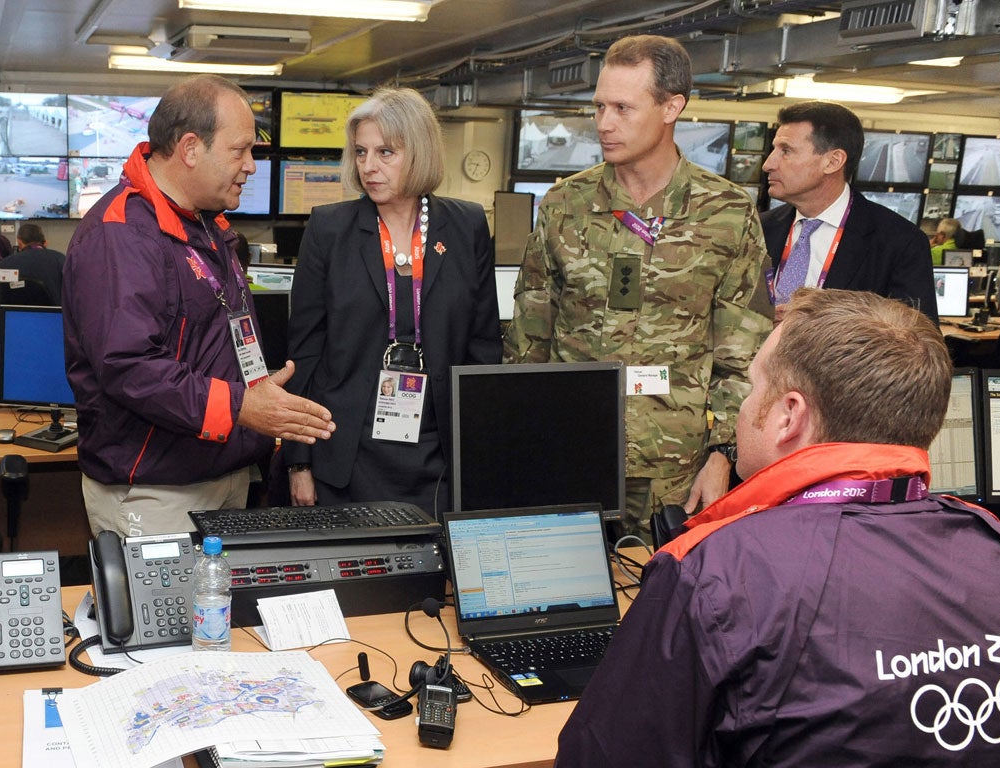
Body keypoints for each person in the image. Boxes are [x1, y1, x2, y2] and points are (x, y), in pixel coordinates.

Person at [556, 288, 1000, 767]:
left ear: (788, 416)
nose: (744, 410)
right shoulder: (992, 545)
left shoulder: (717, 575)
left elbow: (599, 757)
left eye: (753, 388)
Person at [502, 35, 770, 536]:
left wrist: (723, 457)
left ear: (672, 107)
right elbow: (529, 339)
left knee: (665, 604)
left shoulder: (726, 212)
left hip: (677, 470)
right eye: (599, 106)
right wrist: (523, 440)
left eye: (623, 108)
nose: (604, 123)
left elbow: (743, 355)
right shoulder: (566, 203)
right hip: (569, 454)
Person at [63, 74, 336, 537]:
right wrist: (240, 406)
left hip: (223, 472)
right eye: (240, 150)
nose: (251, 165)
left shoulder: (204, 224)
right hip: (157, 491)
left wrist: (254, 391)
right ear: (190, 148)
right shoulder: (122, 234)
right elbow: (129, 367)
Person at [283, 87, 501, 519]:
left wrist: (480, 459)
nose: (369, 166)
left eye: (385, 152)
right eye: (361, 152)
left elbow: (483, 349)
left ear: (418, 152)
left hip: (437, 456)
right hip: (346, 452)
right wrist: (298, 462)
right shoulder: (329, 229)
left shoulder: (466, 225)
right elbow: (304, 354)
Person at [760, 101, 939, 325]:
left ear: (833, 161)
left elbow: (917, 341)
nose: (768, 164)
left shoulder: (899, 243)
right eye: (774, 150)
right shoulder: (759, 228)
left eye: (786, 151)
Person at [0, 222, 65, 304]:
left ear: (19, 242)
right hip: (53, 315)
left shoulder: (5, 265)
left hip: (12, 314)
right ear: (44, 242)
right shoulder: (61, 260)